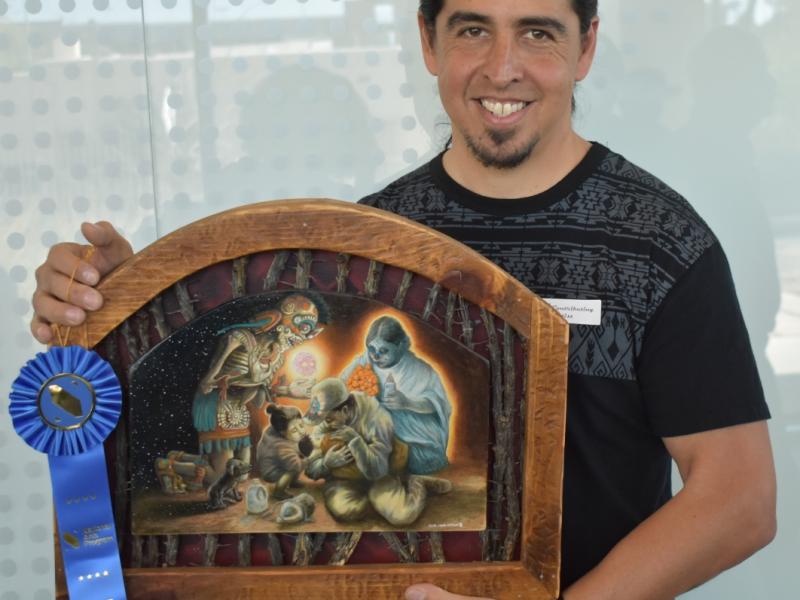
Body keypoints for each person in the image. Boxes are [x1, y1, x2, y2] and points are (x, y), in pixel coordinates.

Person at [30, 1, 776, 599]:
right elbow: (242, 377)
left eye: (538, 32)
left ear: (585, 48)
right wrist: (123, 310)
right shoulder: (367, 245)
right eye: (472, 29)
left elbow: (739, 500)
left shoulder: (659, 242)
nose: (503, 66)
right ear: (428, 42)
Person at [340, 315, 452, 475]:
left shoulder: (420, 370)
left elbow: (437, 404)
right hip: (377, 425)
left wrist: (407, 403)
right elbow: (341, 383)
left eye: (383, 351)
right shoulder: (366, 359)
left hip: (413, 429)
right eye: (371, 349)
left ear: (400, 345)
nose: (375, 356)